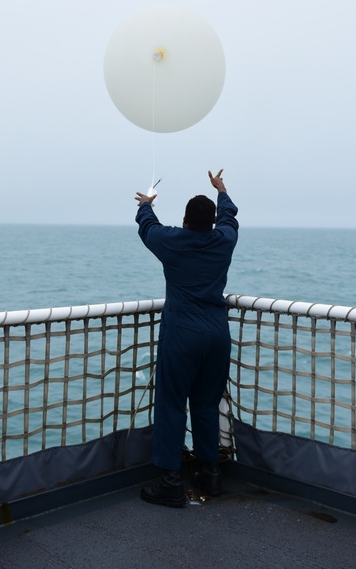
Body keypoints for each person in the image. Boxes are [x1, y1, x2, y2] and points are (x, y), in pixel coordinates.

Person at [134, 169, 239, 507]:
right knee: (206, 403)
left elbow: (148, 227)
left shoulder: (172, 241)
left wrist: (147, 204)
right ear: (210, 222)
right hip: (217, 334)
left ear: (184, 219)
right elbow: (230, 217)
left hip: (182, 334)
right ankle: (209, 473)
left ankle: (170, 480)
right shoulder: (223, 240)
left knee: (171, 403)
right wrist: (222, 190)